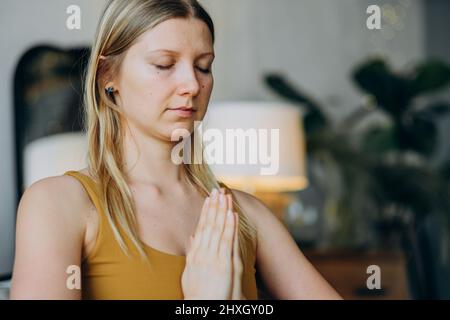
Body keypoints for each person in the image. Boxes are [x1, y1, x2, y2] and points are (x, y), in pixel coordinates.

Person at [10, 0, 342, 300]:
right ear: (107, 75)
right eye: (164, 64)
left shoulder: (247, 215)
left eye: (203, 66)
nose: (192, 85)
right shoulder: (57, 205)